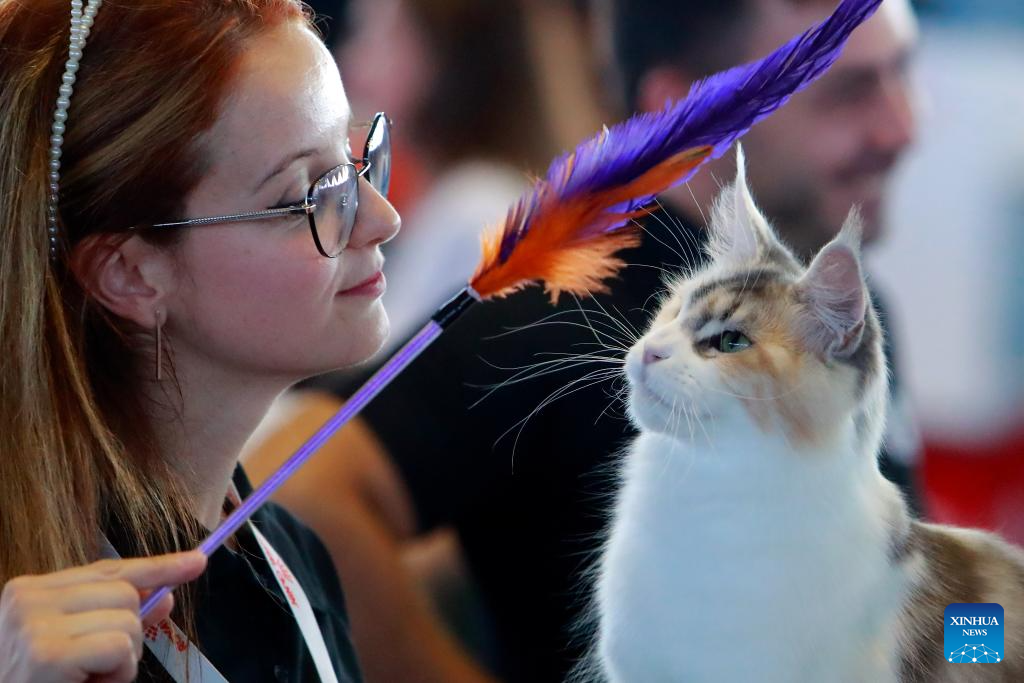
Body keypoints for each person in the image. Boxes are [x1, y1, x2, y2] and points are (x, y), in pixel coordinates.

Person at [244, 1, 922, 681]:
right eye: (849, 93)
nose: (903, 128)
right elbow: (299, 491)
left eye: (901, 74)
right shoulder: (571, 317)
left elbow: (922, 585)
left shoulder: (839, 313)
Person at [0, 1, 400, 681]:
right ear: (130, 272)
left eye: (356, 162)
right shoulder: (30, 635)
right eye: (310, 192)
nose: (382, 219)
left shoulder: (289, 558)